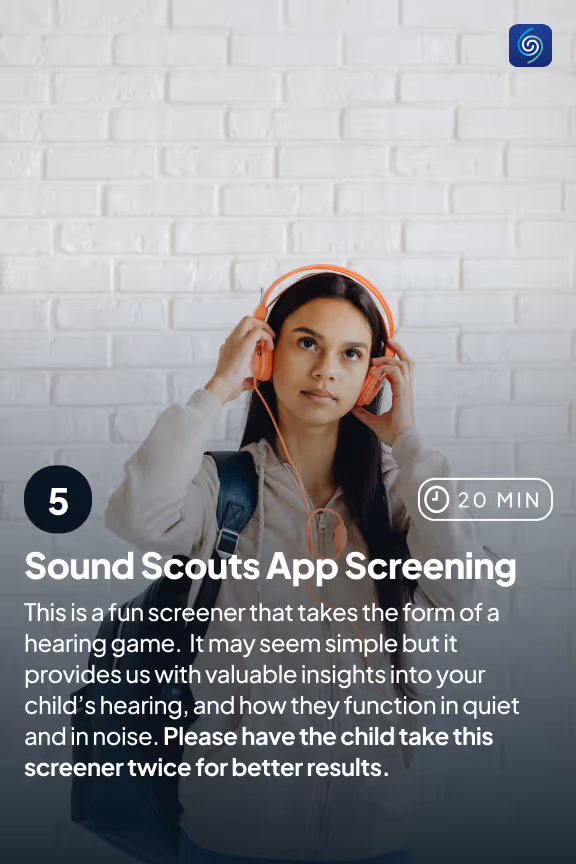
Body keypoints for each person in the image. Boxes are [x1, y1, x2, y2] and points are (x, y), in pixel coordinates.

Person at [105, 271, 485, 864]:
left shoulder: (400, 495)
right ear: (266, 353)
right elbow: (137, 516)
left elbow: (463, 593)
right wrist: (216, 390)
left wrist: (408, 443)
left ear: (370, 378)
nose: (326, 368)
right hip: (230, 836)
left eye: (351, 354)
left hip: (376, 837)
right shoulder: (222, 486)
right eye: (307, 342)